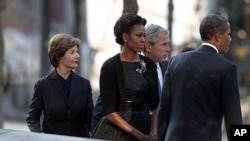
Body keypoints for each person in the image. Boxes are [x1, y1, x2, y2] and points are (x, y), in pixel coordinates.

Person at [157, 14, 242, 141]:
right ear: (218, 36)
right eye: (228, 34)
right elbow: (234, 117)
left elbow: (164, 109)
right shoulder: (227, 68)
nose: (230, 39)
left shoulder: (175, 61)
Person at [91, 24, 171, 132]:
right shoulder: (121, 68)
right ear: (148, 46)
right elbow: (105, 106)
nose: (168, 49)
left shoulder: (169, 69)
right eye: (164, 45)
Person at [26, 33, 94, 138]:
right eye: (72, 52)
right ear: (58, 56)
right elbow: (32, 118)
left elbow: (91, 120)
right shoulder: (43, 85)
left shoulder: (84, 84)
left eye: (77, 51)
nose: (77, 56)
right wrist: (39, 136)